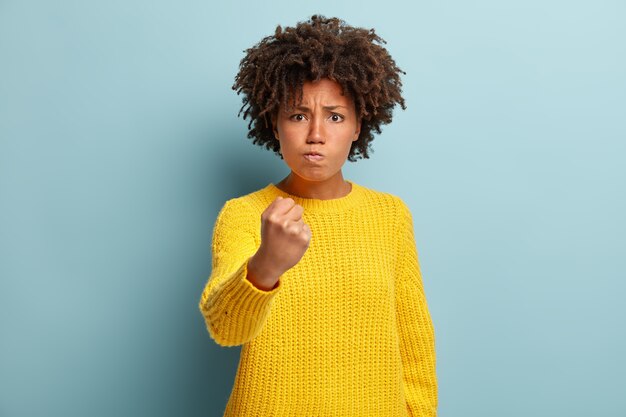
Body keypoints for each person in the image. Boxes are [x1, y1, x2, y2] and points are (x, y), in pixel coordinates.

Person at [198, 15, 437, 417]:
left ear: (359, 125)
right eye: (297, 115)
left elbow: (414, 342)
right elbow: (225, 327)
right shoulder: (244, 214)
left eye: (335, 116)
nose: (316, 134)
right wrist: (265, 266)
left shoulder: (390, 215)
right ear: (274, 125)